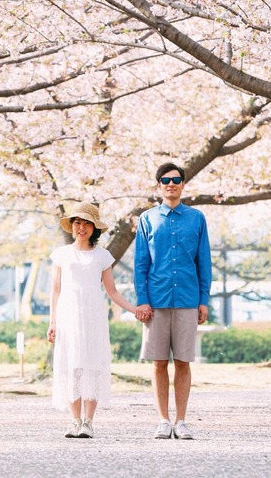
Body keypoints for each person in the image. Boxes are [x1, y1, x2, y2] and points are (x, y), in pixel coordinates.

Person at [47, 201, 143, 438]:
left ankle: (88, 422)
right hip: (68, 316)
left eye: (87, 224)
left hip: (93, 316)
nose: (81, 228)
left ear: (94, 228)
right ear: (71, 226)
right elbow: (55, 290)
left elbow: (112, 292)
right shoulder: (61, 255)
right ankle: (74, 421)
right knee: (71, 366)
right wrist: (52, 322)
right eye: (77, 223)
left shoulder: (103, 256)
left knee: (91, 365)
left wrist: (135, 310)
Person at [133, 162, 212, 440]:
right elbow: (141, 263)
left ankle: (181, 420)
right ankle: (163, 420)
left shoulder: (197, 218)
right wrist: (142, 300)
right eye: (165, 180)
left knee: (183, 361)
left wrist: (204, 299)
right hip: (156, 299)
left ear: (183, 184)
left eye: (176, 179)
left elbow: (204, 261)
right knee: (157, 362)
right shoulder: (147, 219)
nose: (171, 184)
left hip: (188, 298)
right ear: (159, 185)